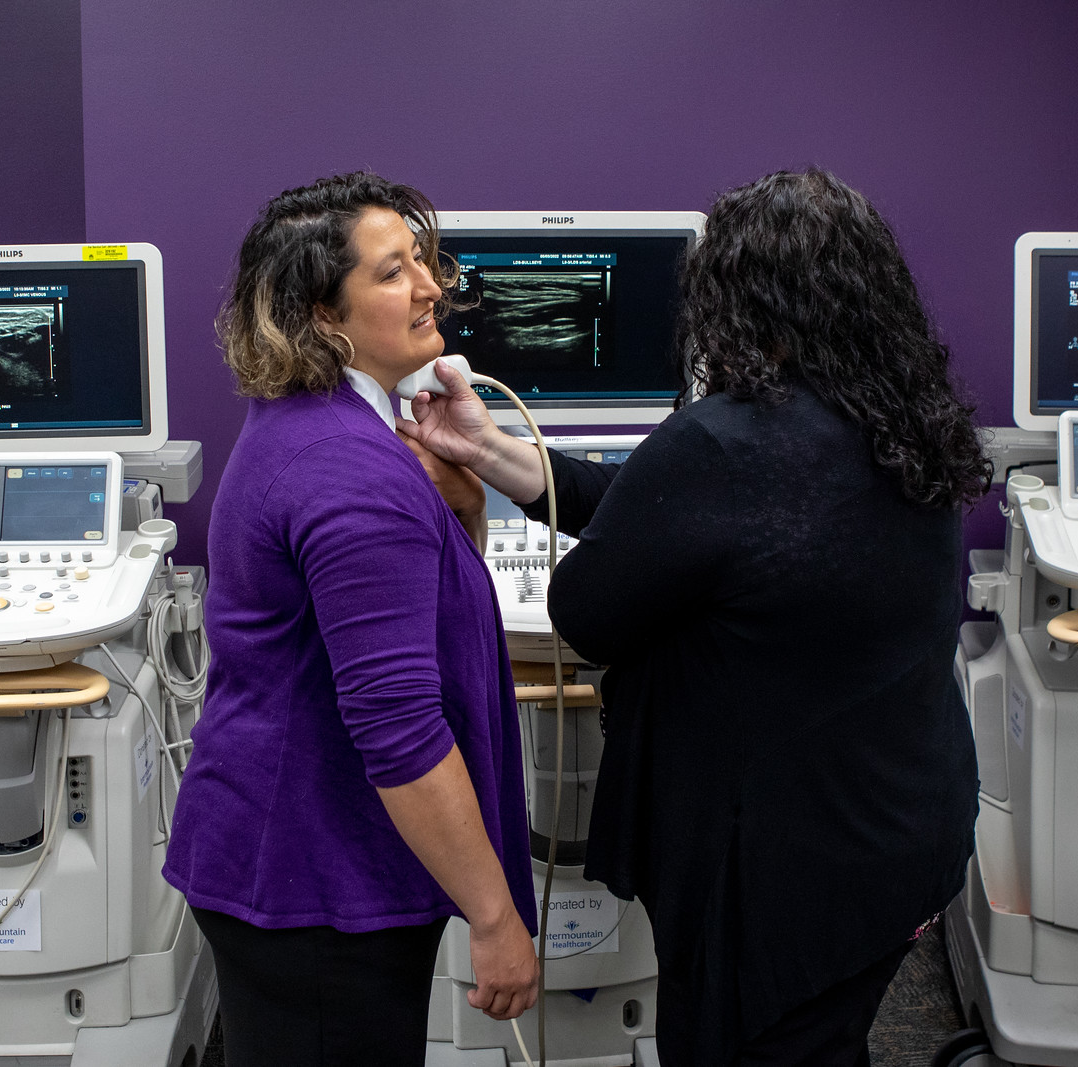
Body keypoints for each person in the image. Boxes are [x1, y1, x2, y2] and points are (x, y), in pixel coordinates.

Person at [400, 168, 989, 1066]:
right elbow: (655, 507)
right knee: (822, 1035)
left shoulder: (724, 442)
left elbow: (585, 611)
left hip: (778, 872)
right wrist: (489, 450)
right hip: (902, 832)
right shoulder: (902, 420)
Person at [162, 171, 539, 1067]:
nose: (431, 286)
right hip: (315, 884)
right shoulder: (350, 475)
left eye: (424, 262)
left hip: (288, 857)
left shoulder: (314, 424)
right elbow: (400, 727)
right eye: (394, 271)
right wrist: (495, 918)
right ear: (323, 318)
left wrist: (462, 490)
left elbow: (427, 611)